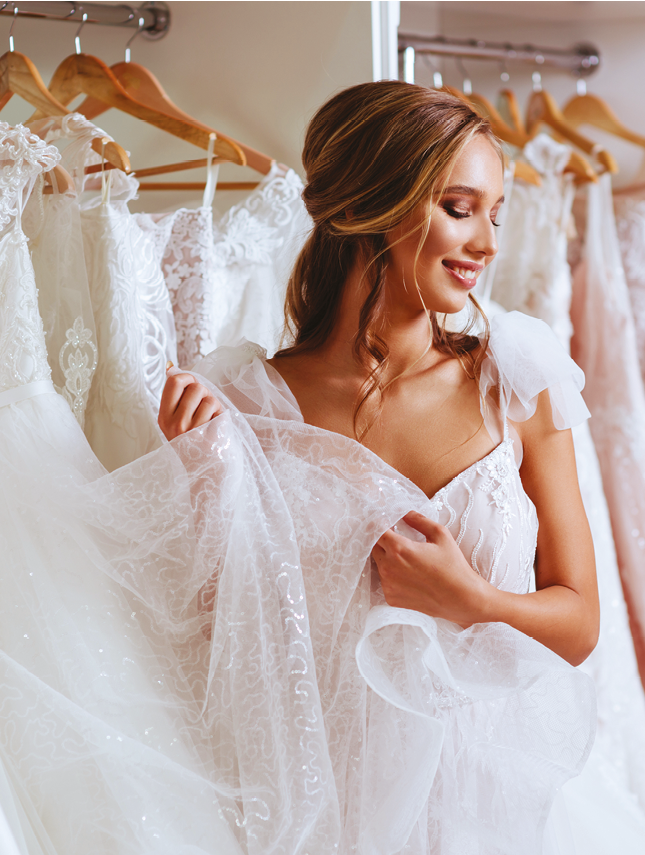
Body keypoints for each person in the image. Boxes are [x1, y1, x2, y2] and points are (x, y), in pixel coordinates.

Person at [157, 81, 600, 852]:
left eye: (495, 215)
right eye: (460, 209)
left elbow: (580, 622)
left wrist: (474, 598)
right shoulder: (249, 403)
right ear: (373, 203)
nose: (488, 245)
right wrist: (201, 476)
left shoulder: (518, 384)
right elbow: (213, 639)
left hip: (475, 811)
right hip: (321, 807)